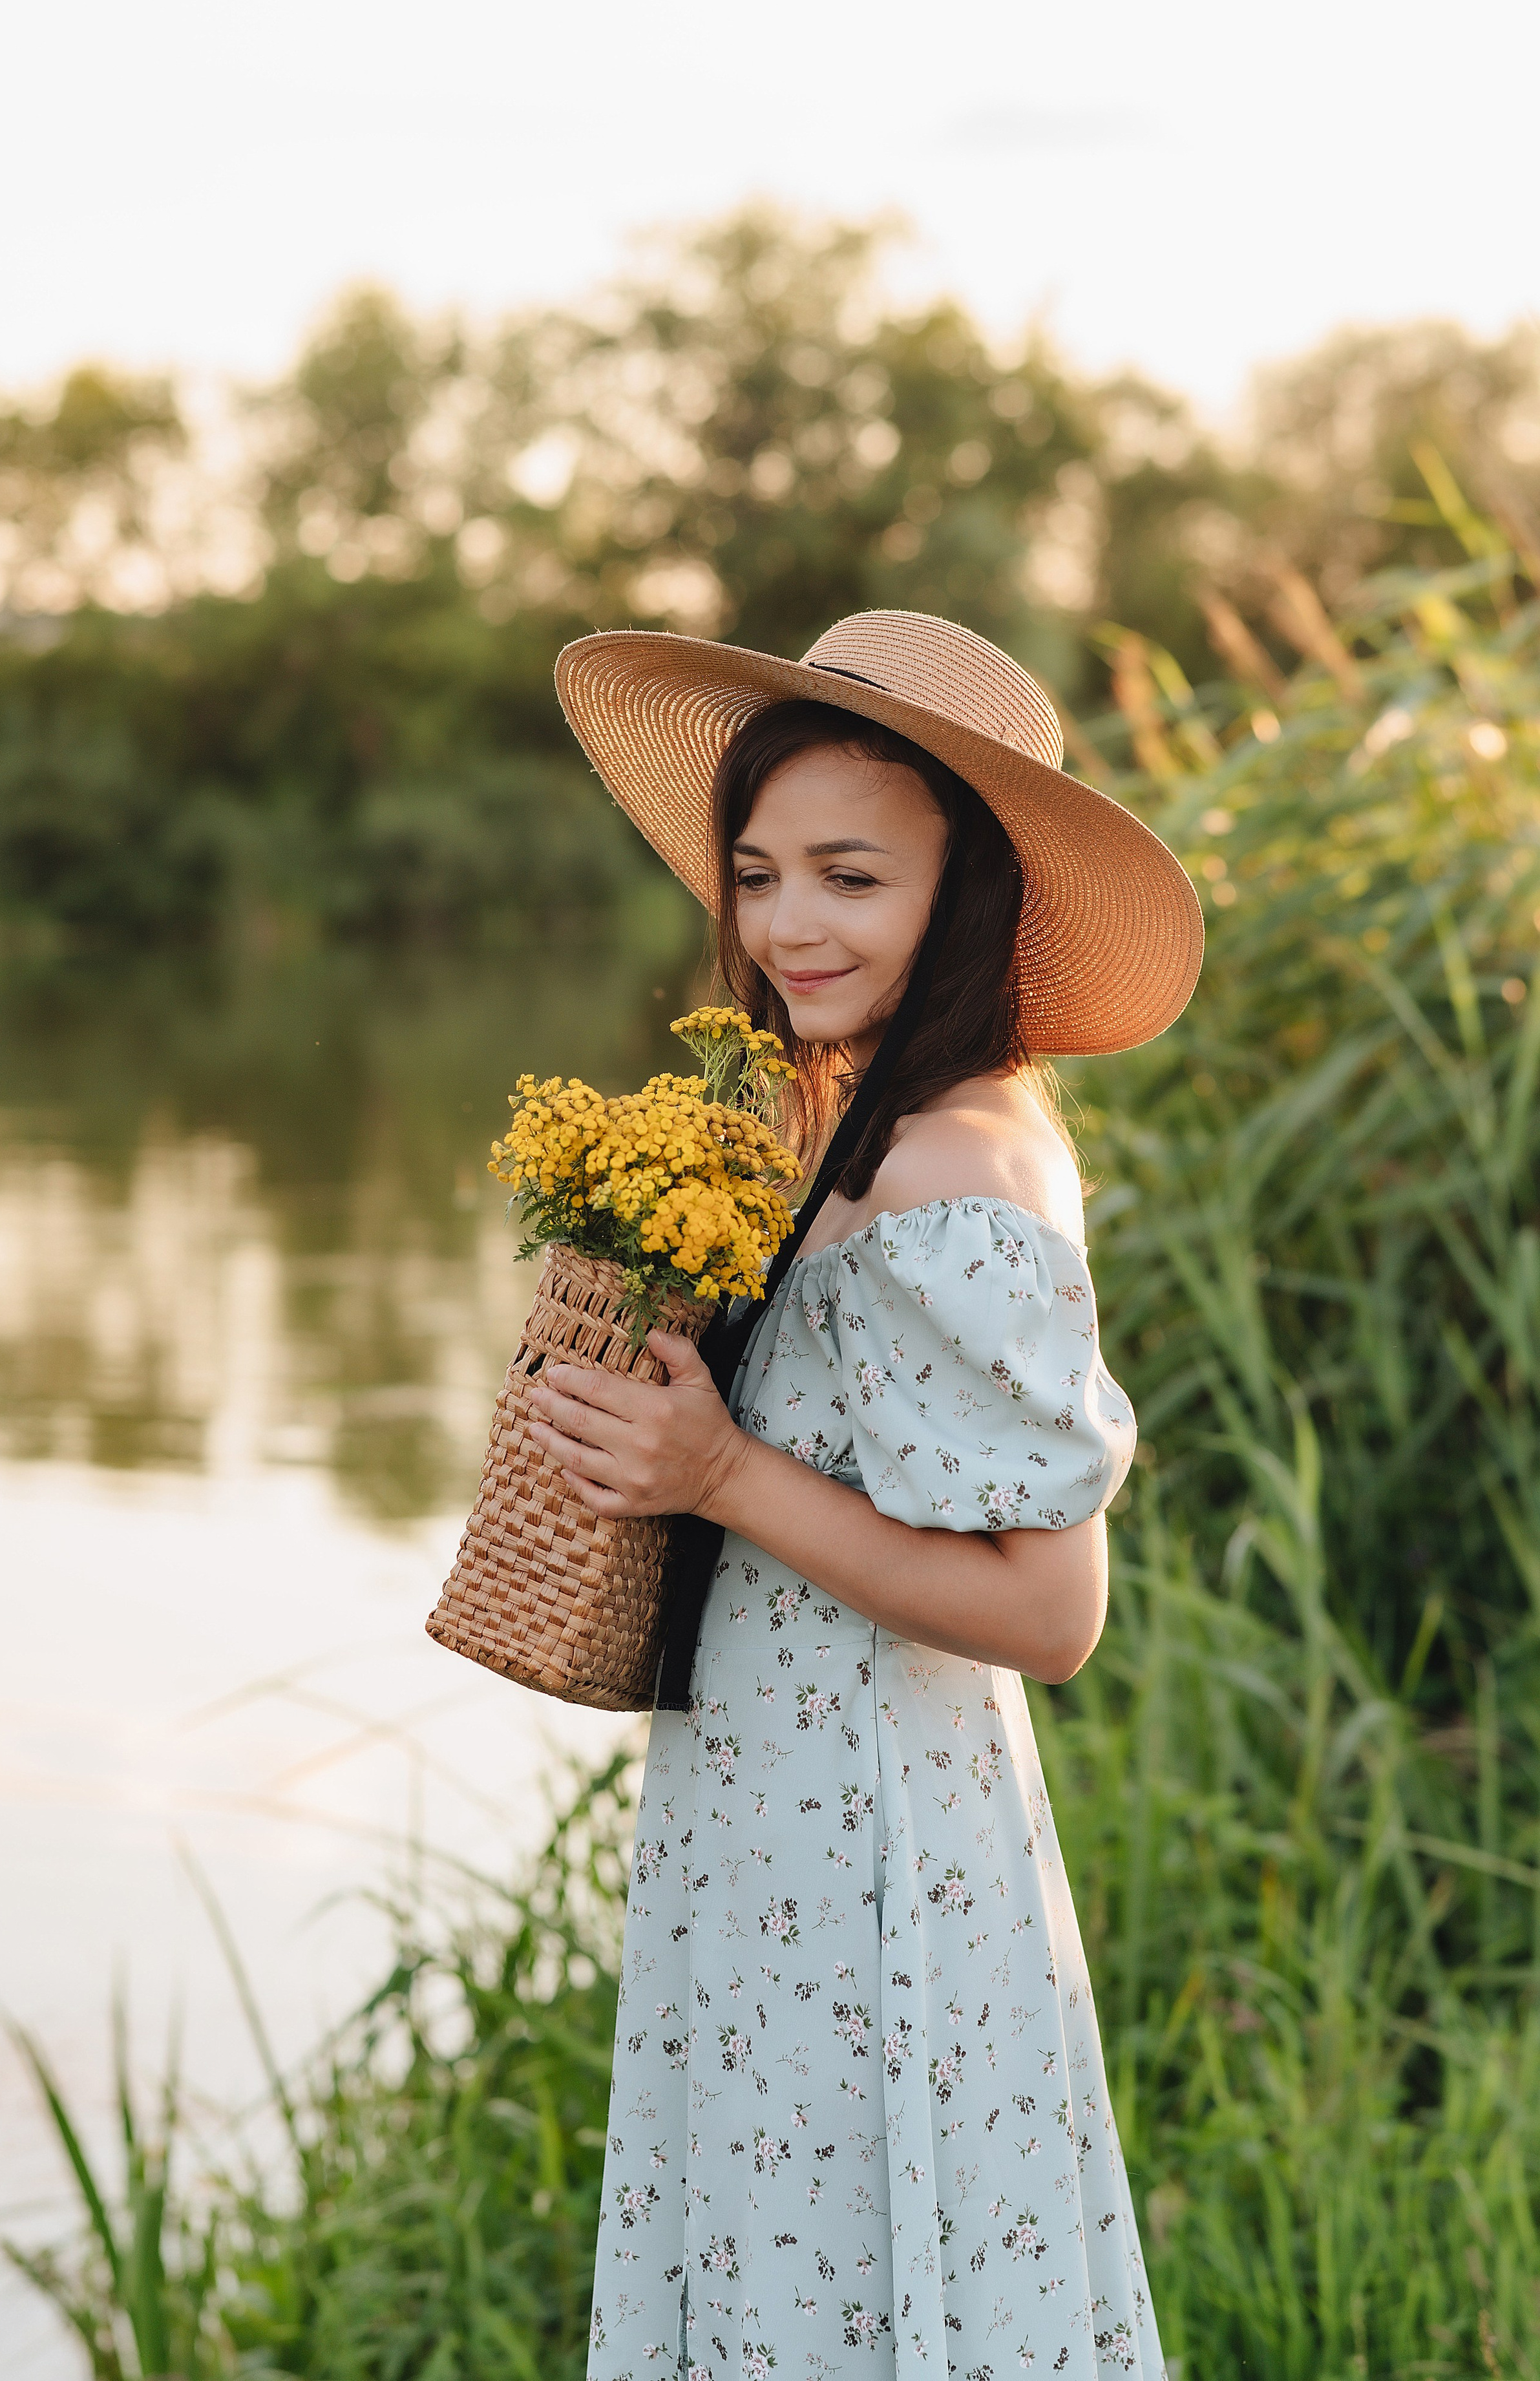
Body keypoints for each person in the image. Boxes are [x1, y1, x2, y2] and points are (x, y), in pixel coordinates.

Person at [531, 610, 1203, 2381]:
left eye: (849, 874)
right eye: (758, 874)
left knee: (855, 2276)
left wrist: (726, 1473)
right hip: (778, 1819)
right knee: (788, 2276)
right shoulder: (853, 1119)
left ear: (960, 891)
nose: (788, 925)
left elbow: (1054, 1615)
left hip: (876, 1846)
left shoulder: (960, 1168)